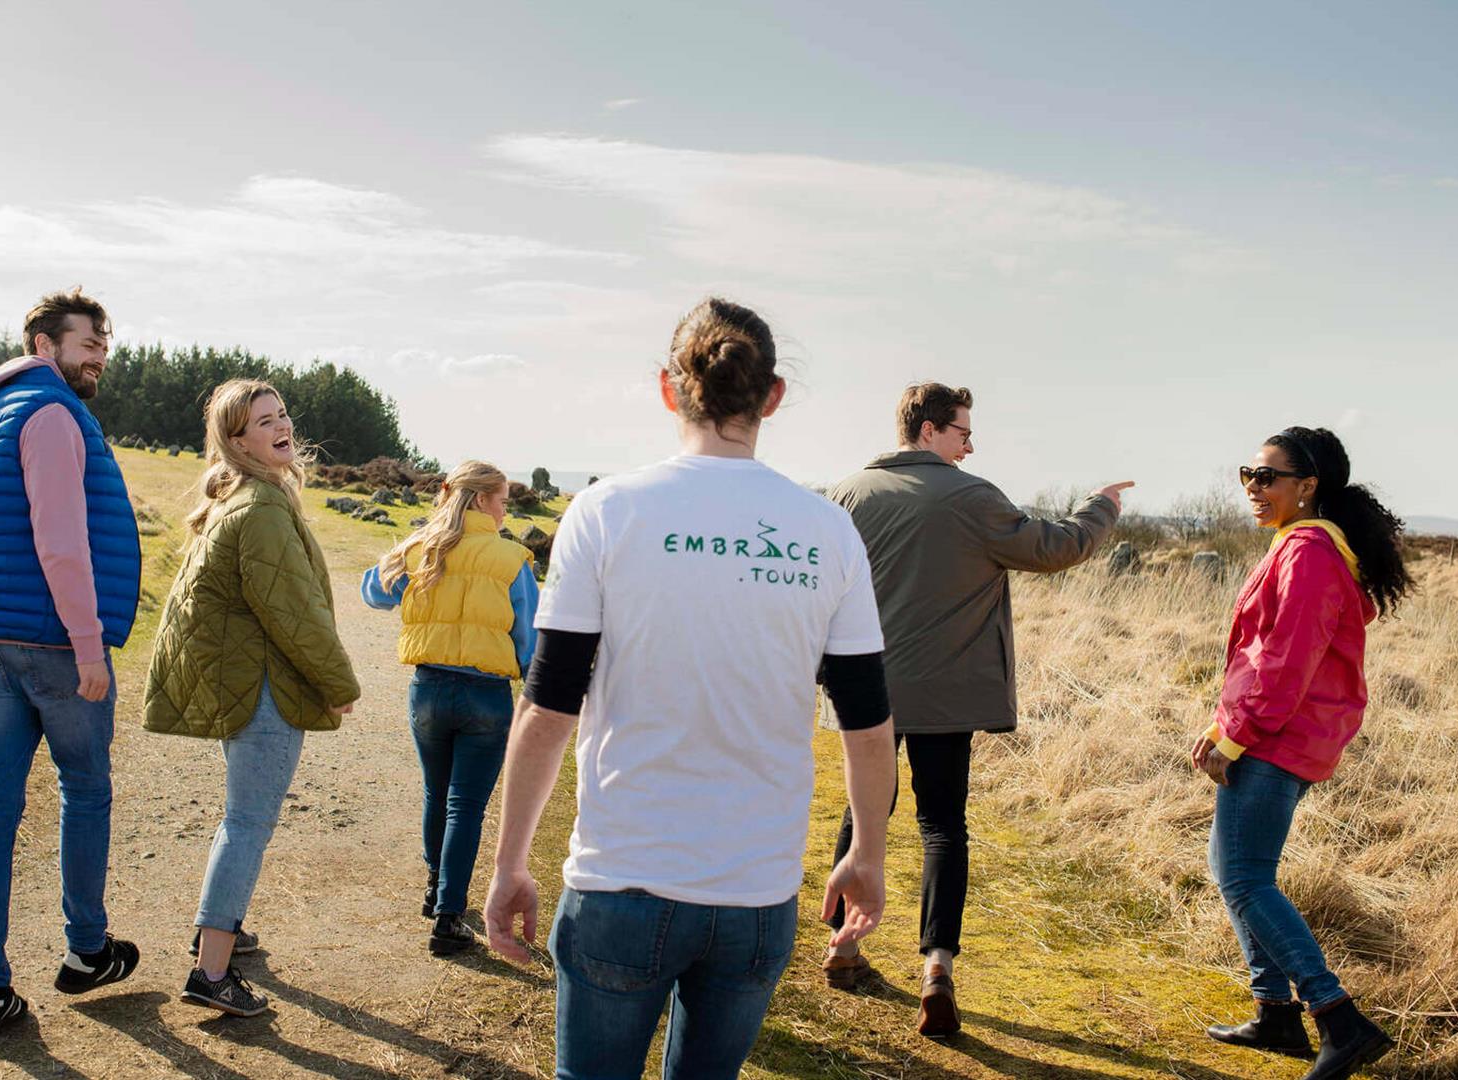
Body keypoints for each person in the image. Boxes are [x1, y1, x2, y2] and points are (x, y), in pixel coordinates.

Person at [483, 298, 898, 1079]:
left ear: (670, 389)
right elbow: (868, 723)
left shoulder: (607, 512)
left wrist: (508, 863)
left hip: (621, 881)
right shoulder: (827, 531)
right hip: (758, 892)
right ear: (771, 397)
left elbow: (549, 707)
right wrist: (867, 853)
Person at [820, 382, 1131, 1037]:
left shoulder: (845, 495)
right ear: (930, 429)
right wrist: (1100, 507)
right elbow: (1054, 548)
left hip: (862, 688)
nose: (971, 443)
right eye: (964, 431)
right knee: (942, 826)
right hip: (946, 692)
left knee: (865, 809)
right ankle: (937, 967)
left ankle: (843, 948)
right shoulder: (970, 496)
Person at [0, 288, 143, 1040]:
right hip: (52, 643)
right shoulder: (51, 413)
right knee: (85, 790)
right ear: (41, 342)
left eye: (104, 347)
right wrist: (88, 643)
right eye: (89, 343)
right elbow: (60, 539)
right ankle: (87, 950)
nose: (99, 358)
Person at [1193, 426, 1408, 1079]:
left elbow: (1287, 662)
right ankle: (1276, 1014)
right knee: (1233, 869)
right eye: (1248, 475)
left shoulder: (1309, 553)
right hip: (1280, 731)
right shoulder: (1298, 546)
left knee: (1246, 878)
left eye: (1267, 477)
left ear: (1307, 486)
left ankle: (1339, 1019)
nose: (1253, 489)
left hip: (1277, 736)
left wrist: (1235, 735)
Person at [143, 379, 361, 1017]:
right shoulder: (261, 507)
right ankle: (211, 972)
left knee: (239, 820)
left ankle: (221, 928)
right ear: (237, 442)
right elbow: (295, 613)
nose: (280, 426)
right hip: (261, 689)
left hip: (243, 684)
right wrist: (338, 684)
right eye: (262, 422)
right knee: (246, 824)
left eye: (282, 415)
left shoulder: (244, 497)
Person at [361, 461, 538, 957]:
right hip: (485, 698)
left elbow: (373, 591)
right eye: (503, 499)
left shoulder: (422, 548)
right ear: (482, 500)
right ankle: (448, 916)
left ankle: (435, 888)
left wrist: (405, 550)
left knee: (436, 795)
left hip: (428, 691)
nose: (506, 509)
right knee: (466, 806)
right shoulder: (512, 560)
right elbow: (528, 641)